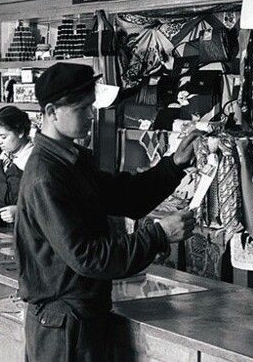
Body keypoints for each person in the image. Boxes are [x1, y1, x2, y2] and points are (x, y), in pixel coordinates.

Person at [14, 63, 200, 362]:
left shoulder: (70, 162)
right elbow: (89, 257)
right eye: (82, 108)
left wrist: (174, 164)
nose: (91, 115)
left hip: (78, 320)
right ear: (51, 112)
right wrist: (159, 234)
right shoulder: (46, 175)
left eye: (91, 106)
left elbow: (127, 196)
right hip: (64, 329)